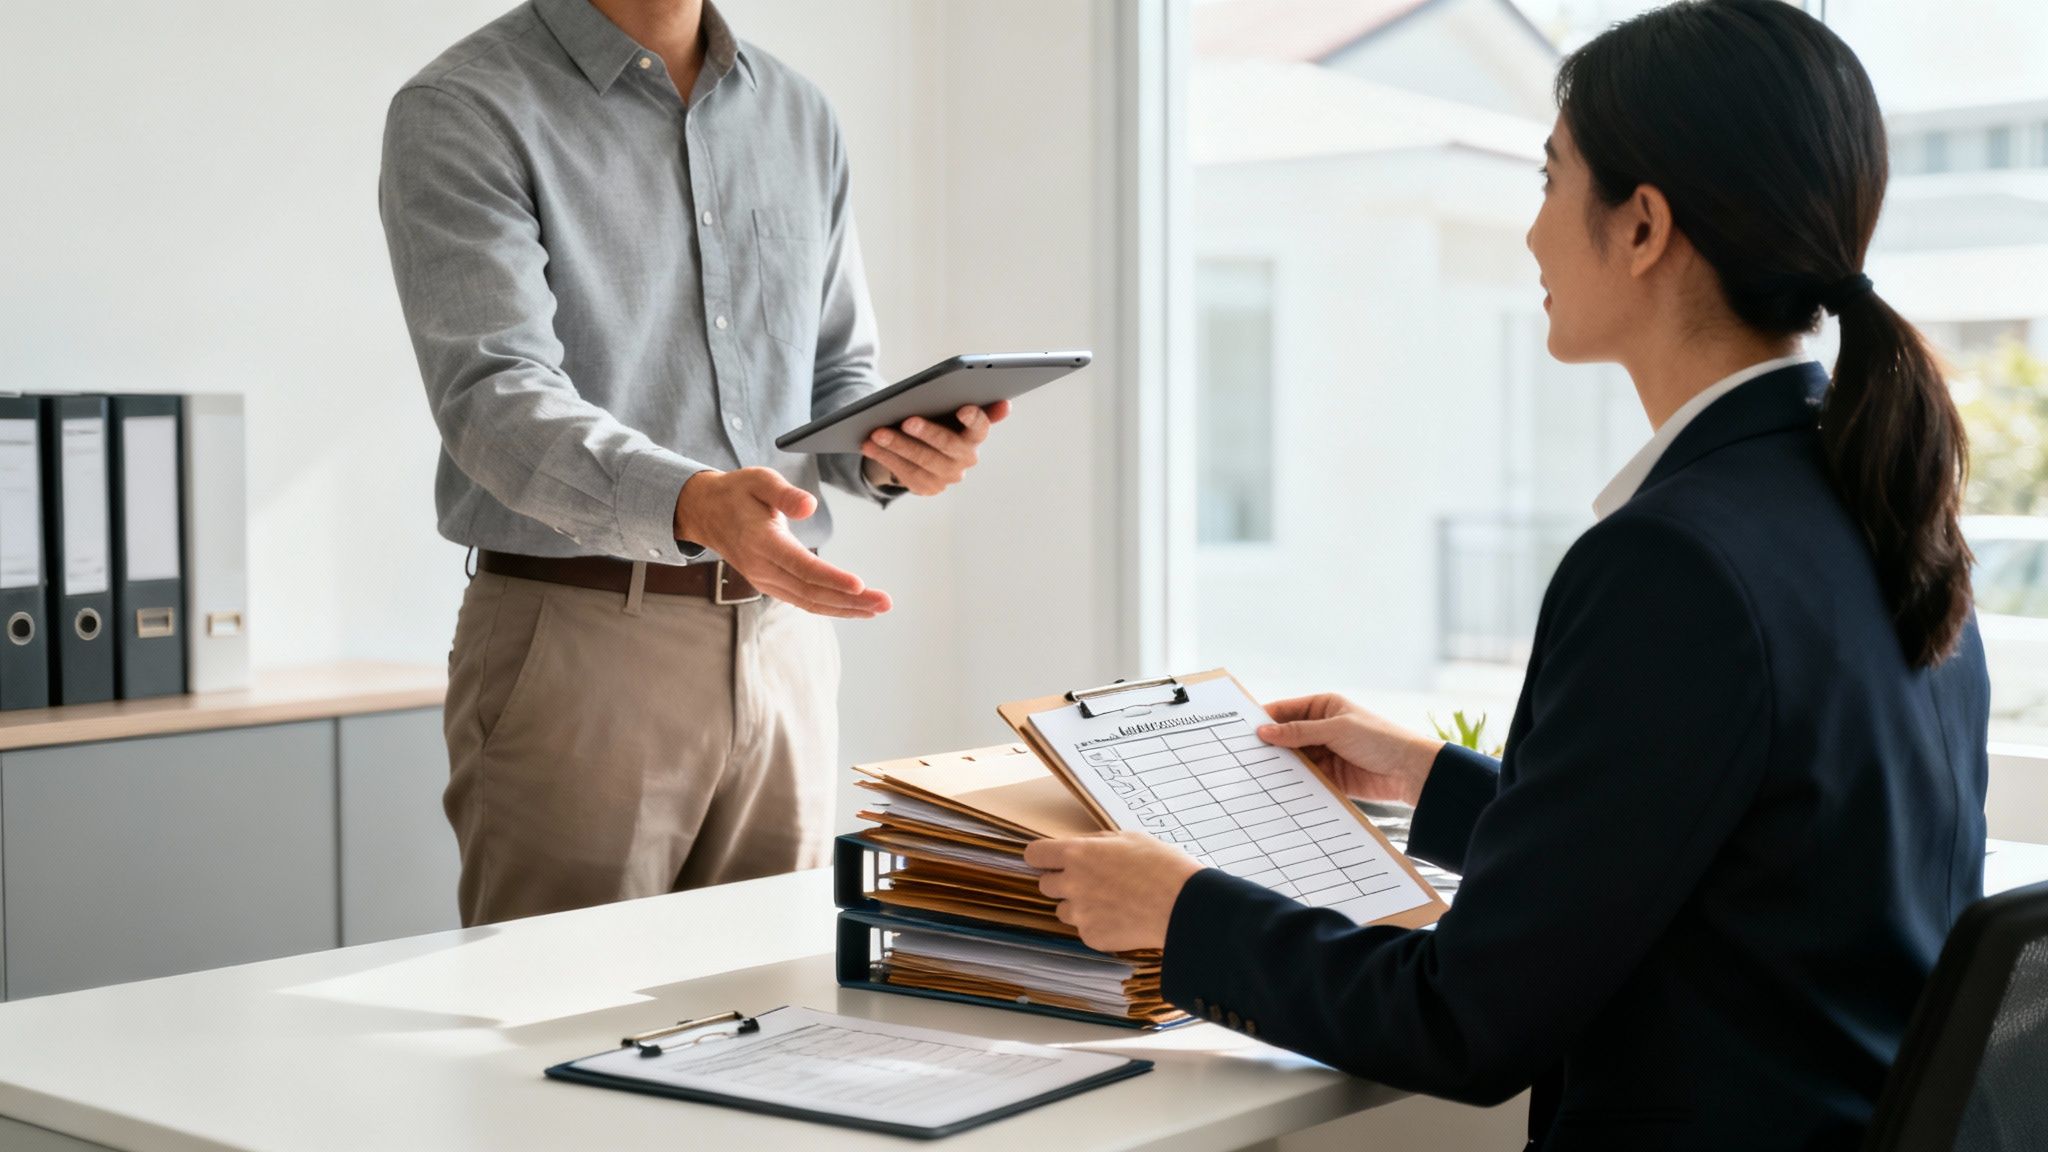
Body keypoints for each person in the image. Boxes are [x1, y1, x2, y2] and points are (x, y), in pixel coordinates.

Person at [1024, 2, 1988, 1147]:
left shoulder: (1671, 562)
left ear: (1640, 227)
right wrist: (1435, 782)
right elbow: (1737, 853)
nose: (1530, 235)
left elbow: (1465, 1023)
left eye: (1548, 180)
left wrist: (1180, 912)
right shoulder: (1877, 506)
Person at [379, 0, 1006, 926]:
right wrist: (694, 501)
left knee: (774, 1011)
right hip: (581, 644)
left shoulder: (798, 112)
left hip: (785, 644)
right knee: (556, 1020)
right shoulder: (465, 104)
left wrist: (891, 453)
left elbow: (832, 372)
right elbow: (493, 397)